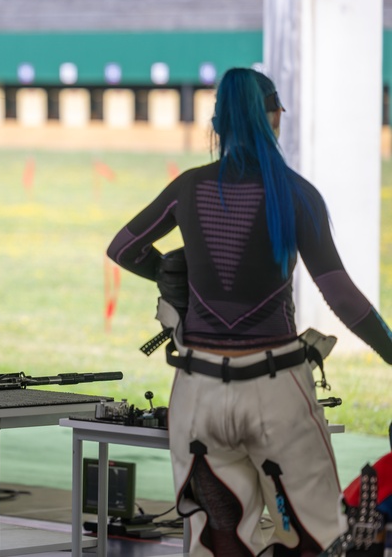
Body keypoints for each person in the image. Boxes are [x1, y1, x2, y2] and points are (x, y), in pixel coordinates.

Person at [106, 67, 392, 556]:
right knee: (311, 537)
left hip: (198, 396)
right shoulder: (295, 192)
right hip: (276, 388)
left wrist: (169, 275)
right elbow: (340, 295)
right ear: (274, 118)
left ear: (217, 123)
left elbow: (124, 248)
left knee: (220, 538)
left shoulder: (189, 187)